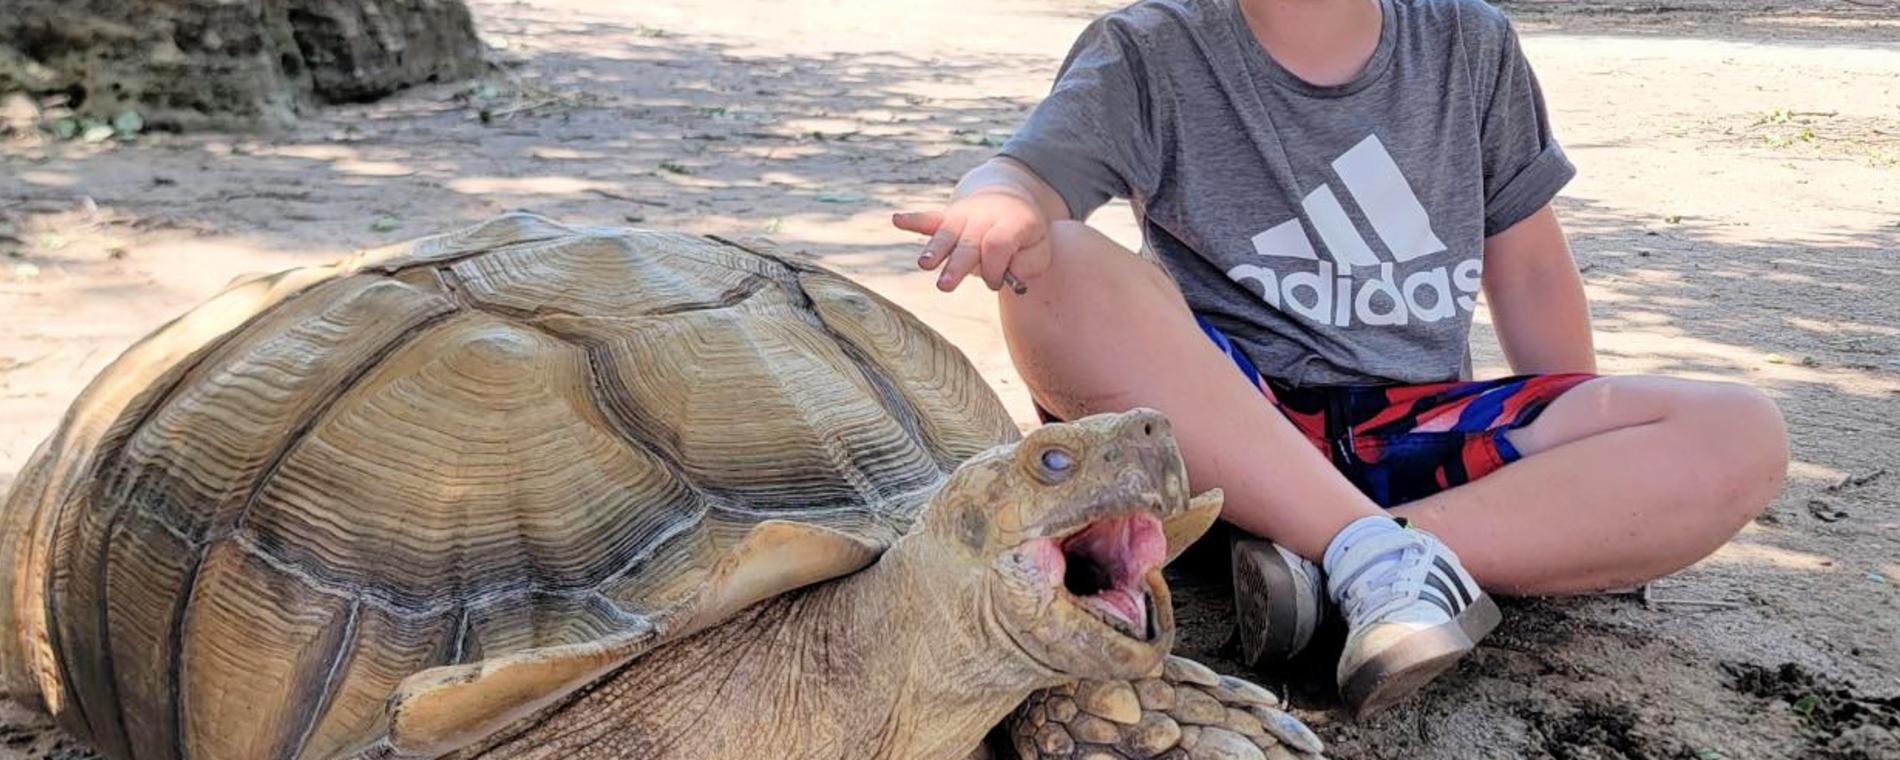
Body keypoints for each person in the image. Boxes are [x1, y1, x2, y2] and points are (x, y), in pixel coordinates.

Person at [891, 0, 1789, 717]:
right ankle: (1362, 550)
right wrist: (998, 201)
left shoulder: (1470, 43)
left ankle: (1358, 562)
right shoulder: (1148, 47)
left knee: (1739, 432)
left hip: (1414, 433)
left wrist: (1582, 475)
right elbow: (1026, 173)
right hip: (1231, 431)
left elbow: (1532, 275)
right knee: (1058, 265)